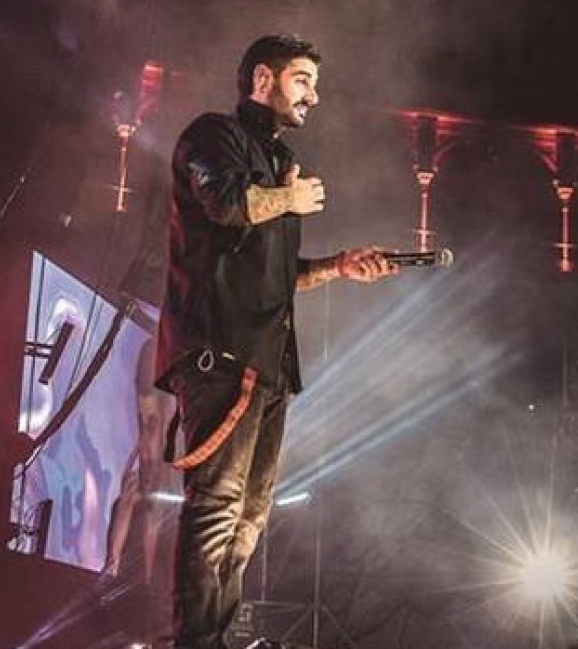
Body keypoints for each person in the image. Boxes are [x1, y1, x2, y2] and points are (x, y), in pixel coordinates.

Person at [155, 34, 398, 649]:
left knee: (249, 517)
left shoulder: (276, 161)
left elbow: (279, 278)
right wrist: (288, 197)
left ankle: (214, 633)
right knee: (215, 506)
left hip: (267, 364)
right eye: (303, 80)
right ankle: (195, 641)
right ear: (263, 78)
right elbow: (225, 201)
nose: (314, 95)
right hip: (220, 352)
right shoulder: (212, 136)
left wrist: (339, 265)